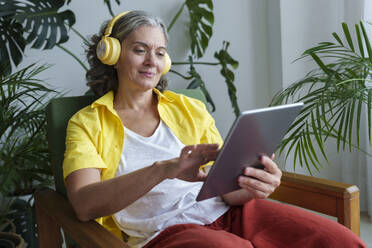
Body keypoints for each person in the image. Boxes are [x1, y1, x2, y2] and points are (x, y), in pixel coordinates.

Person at [63, 10, 366, 248]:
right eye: (140, 50)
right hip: (165, 233)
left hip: (232, 213)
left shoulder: (189, 108)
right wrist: (163, 169)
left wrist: (253, 185)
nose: (151, 62)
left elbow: (226, 190)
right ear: (112, 55)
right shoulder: (88, 123)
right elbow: (85, 204)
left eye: (159, 52)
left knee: (337, 240)